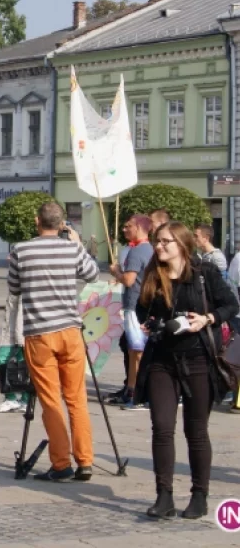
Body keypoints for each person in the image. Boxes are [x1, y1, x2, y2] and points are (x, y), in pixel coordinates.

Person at [137, 222, 238, 519]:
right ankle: (164, 495)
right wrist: (150, 321)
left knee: (196, 431)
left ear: (181, 244)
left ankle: (199, 495)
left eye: (165, 241)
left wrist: (206, 318)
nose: (159, 246)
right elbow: (143, 308)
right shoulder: (154, 274)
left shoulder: (204, 274)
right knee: (162, 428)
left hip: (198, 361)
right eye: (157, 241)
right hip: (162, 361)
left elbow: (230, 305)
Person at [7, 202, 99, 482]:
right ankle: (85, 461)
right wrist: (78, 244)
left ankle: (61, 463)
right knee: (77, 399)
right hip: (70, 330)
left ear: (37, 221)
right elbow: (93, 275)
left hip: (40, 333)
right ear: (62, 224)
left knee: (51, 401)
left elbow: (14, 287)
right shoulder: (71, 248)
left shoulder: (21, 250)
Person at [108, 215, 154, 410]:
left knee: (136, 351)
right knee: (134, 349)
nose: (124, 229)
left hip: (134, 306)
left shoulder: (137, 251)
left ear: (140, 228)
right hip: (142, 305)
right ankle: (132, 388)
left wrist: (116, 272)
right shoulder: (150, 249)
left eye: (128, 226)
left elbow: (128, 280)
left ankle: (137, 392)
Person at [0, 293, 29, 413]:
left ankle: (14, 398)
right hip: (14, 331)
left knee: (1, 360)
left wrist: (20, 338)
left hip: (19, 333)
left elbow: (22, 312)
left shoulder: (24, 281)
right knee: (23, 363)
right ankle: (22, 399)